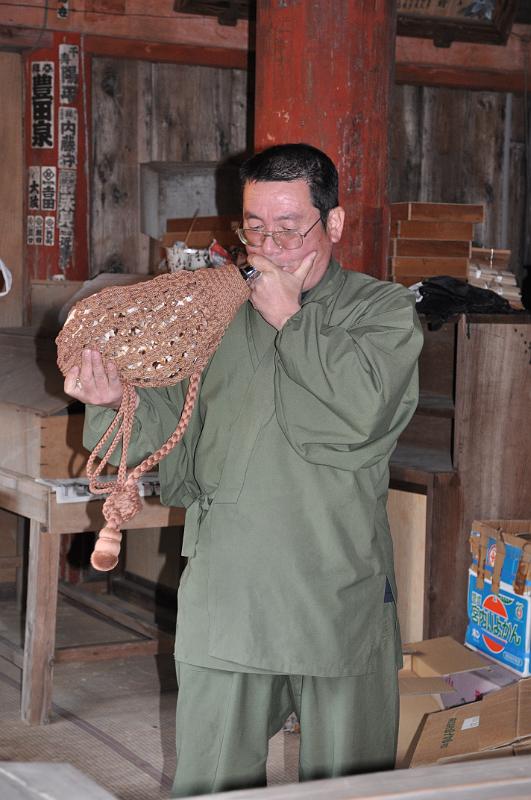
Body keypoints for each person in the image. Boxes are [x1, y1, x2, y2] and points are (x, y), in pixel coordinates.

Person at [65, 143, 423, 797]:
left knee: (351, 783)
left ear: (333, 224)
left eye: (289, 228)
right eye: (255, 228)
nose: (270, 246)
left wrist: (288, 316)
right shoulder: (213, 316)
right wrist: (119, 400)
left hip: (334, 586)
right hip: (228, 588)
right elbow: (165, 434)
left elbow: (363, 413)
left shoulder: (381, 313)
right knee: (210, 777)